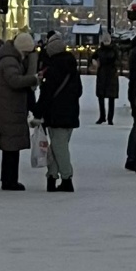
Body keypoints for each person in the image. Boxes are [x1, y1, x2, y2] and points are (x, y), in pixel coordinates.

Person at [35, 33, 82, 190]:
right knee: (57, 146)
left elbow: (46, 94)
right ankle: (52, 177)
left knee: (58, 148)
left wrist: (37, 112)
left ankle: (66, 178)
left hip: (55, 114)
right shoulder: (72, 68)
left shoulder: (53, 69)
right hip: (71, 112)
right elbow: (79, 91)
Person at [0, 30, 38, 187]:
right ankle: (9, 180)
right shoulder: (10, 61)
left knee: (11, 145)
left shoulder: (11, 59)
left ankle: (9, 178)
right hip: (9, 107)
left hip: (10, 106)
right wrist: (34, 79)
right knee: (11, 145)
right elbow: (14, 81)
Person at [94, 36, 121, 123]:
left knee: (111, 97)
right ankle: (102, 116)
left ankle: (110, 118)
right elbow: (93, 57)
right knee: (101, 96)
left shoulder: (114, 50)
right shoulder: (100, 50)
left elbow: (118, 60)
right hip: (103, 74)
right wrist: (95, 62)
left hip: (111, 75)